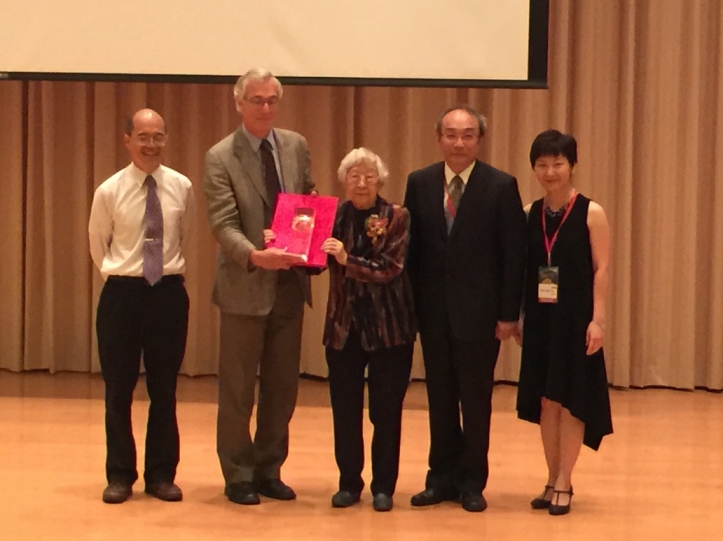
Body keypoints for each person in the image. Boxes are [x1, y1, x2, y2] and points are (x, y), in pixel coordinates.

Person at [404, 105, 526, 512]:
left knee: (475, 401)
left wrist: (509, 314)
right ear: (438, 137)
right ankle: (440, 479)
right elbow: (412, 253)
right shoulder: (419, 183)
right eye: (451, 134)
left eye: (468, 134)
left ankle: (472, 481)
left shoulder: (500, 185)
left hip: (480, 314)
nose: (459, 142)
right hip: (433, 313)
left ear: (479, 140)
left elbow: (513, 256)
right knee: (438, 398)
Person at [203, 68, 315, 505]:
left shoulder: (295, 144)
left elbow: (306, 199)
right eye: (257, 100)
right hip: (244, 285)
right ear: (238, 102)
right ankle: (238, 474)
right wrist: (254, 254)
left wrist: (307, 233)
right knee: (237, 388)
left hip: (289, 284)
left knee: (282, 387)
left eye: (271, 100)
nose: (265, 108)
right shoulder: (220, 156)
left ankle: (269, 468)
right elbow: (222, 223)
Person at [89, 108, 195, 504]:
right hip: (123, 294)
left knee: (164, 390)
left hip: (166, 294)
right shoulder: (109, 191)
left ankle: (161, 475)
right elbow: (98, 246)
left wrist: (161, 278)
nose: (151, 144)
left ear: (165, 140)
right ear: (127, 140)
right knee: (118, 390)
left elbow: (182, 238)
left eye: (158, 136)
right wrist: (124, 277)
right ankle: (119, 475)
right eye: (143, 136)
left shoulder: (181, 186)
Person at [515, 129, 613, 516]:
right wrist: (521, 316)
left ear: (572, 165)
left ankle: (565, 481)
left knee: (570, 401)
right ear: (534, 168)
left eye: (558, 163)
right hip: (540, 318)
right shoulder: (528, 213)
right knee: (545, 401)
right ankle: (551, 476)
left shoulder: (591, 211)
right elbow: (525, 272)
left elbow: (602, 269)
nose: (550, 171)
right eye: (542, 164)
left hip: (576, 319)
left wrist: (599, 320)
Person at [319, 148, 416, 512]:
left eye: (369, 176)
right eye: (354, 176)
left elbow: (390, 267)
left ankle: (384, 487)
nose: (361, 183)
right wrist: (285, 242)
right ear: (344, 180)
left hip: (390, 329)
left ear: (380, 181)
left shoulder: (397, 216)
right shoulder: (332, 215)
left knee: (386, 411)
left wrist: (348, 260)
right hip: (343, 328)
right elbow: (314, 261)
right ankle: (348, 483)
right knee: (344, 409)